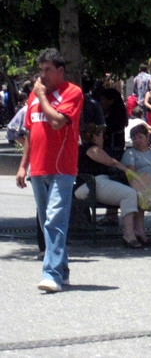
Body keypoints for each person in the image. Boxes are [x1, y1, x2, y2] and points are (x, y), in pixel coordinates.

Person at [16, 48, 83, 293]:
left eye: (47, 70)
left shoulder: (71, 92)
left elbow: (56, 122)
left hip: (62, 167)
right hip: (38, 168)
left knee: (55, 220)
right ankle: (62, 270)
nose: (42, 75)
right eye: (40, 70)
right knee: (48, 222)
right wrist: (23, 166)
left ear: (60, 71)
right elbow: (30, 133)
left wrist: (42, 96)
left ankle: (51, 274)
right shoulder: (33, 97)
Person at [77, 124, 150, 249]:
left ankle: (137, 232)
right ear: (94, 137)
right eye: (101, 136)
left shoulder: (90, 148)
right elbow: (110, 161)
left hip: (98, 183)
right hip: (90, 185)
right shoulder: (91, 148)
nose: (103, 139)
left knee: (133, 193)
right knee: (129, 193)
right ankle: (129, 235)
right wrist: (128, 171)